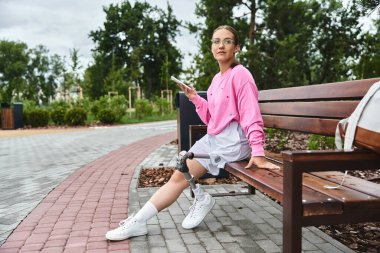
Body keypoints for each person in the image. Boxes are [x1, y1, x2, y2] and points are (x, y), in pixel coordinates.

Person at [105, 25, 279, 241]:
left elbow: (251, 114)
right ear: (211, 47)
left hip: (233, 142)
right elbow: (213, 118)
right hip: (217, 138)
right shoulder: (217, 79)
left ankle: (138, 222)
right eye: (216, 41)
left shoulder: (240, 75)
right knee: (179, 171)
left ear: (237, 48)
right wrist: (195, 98)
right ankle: (194, 201)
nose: (221, 46)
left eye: (227, 41)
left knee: (178, 177)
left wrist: (258, 152)